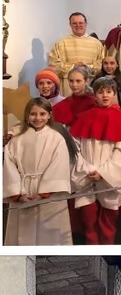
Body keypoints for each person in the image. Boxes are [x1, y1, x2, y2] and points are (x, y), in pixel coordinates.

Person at [69, 76, 121, 244]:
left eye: (109, 91)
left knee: (108, 225)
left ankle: (106, 254)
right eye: (100, 92)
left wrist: (103, 173)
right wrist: (87, 169)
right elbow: (75, 149)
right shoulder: (83, 118)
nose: (105, 95)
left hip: (109, 181)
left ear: (114, 93)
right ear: (94, 94)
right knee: (89, 223)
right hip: (86, 177)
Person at [3, 97, 73, 245]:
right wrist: (18, 194)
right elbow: (9, 167)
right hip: (22, 191)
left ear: (49, 115)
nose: (38, 118)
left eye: (42, 114)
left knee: (49, 236)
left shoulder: (56, 139)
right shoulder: (17, 140)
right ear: (27, 115)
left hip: (48, 196)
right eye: (33, 114)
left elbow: (59, 166)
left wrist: (43, 193)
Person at [48, 12, 105, 97]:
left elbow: (102, 62)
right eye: (74, 23)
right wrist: (73, 66)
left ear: (86, 24)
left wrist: (88, 68)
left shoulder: (97, 44)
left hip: (90, 83)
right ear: (70, 25)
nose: (78, 25)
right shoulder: (61, 43)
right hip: (68, 85)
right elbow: (54, 64)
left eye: (80, 23)